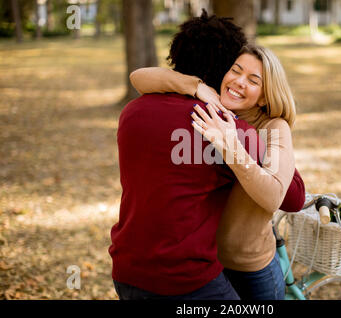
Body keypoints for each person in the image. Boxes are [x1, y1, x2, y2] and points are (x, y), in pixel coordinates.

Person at [130, 44, 306, 300]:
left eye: (253, 80)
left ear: (265, 97)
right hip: (209, 264)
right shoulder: (213, 102)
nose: (239, 81)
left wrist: (230, 145)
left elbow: (274, 196)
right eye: (235, 71)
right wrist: (196, 86)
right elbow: (139, 77)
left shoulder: (273, 127)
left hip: (251, 269)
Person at [108, 11, 264, 300]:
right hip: (186, 281)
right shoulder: (224, 126)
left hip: (126, 272)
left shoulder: (132, 111)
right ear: (225, 70)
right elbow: (292, 196)